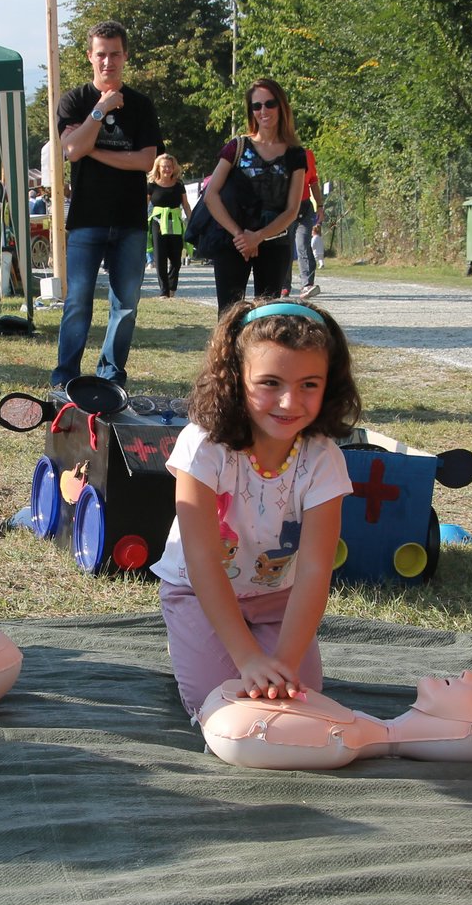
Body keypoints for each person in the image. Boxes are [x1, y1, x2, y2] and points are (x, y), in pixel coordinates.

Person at [151, 299, 360, 719]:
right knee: (223, 706)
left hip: (277, 597)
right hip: (197, 589)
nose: (289, 402)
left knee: (297, 706)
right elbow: (203, 560)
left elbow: (316, 570)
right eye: (270, 383)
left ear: (329, 385)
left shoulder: (323, 459)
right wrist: (247, 658)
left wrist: (284, 661)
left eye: (309, 385)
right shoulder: (203, 445)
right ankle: (204, 644)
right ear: (234, 379)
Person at [51, 20, 161, 393]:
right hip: (86, 219)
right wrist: (99, 111)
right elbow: (71, 151)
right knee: (77, 301)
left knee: (125, 305)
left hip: (130, 220)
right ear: (90, 57)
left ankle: (111, 376)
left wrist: (92, 150)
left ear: (125, 56)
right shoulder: (74, 101)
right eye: (101, 54)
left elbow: (146, 161)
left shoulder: (142, 105)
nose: (108, 61)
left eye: (115, 54)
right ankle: (65, 377)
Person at [202, 79, 309, 313]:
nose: (263, 111)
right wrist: (241, 236)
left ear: (281, 106)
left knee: (268, 316)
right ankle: (227, 352)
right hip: (233, 242)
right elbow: (211, 195)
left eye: (270, 104)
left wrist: (258, 237)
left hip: (273, 242)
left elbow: (292, 209)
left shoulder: (296, 154)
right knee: (229, 316)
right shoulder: (237, 147)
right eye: (257, 106)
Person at [146, 154, 190, 299]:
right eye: (164, 166)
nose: (167, 169)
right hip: (158, 222)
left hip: (175, 222)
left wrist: (192, 220)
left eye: (170, 166)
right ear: (158, 167)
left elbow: (186, 204)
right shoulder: (151, 184)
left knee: (176, 259)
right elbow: (144, 205)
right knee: (160, 257)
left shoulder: (179, 184)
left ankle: (172, 287)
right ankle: (163, 291)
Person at [291, 147, 324, 298]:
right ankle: (283, 285)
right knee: (285, 245)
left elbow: (313, 182)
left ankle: (307, 284)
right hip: (286, 208)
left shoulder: (307, 154)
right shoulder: (278, 154)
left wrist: (320, 206)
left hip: (304, 207)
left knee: (303, 244)